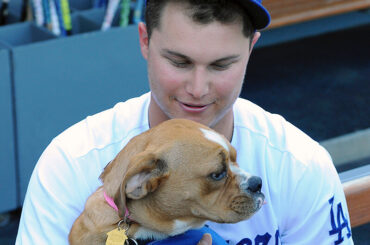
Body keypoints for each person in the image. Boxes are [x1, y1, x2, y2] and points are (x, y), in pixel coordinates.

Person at [16, 0, 354, 244]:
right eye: (179, 61)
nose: (197, 89)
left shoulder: (300, 164)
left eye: (222, 65)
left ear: (250, 49)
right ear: (145, 41)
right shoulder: (69, 164)